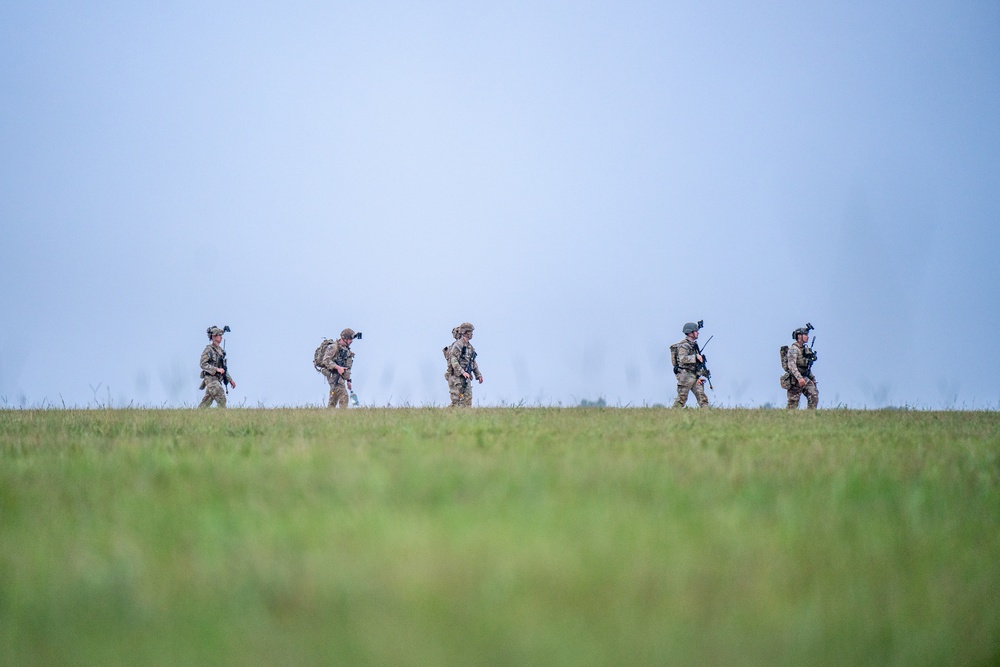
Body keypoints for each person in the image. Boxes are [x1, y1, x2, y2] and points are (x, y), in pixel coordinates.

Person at [670, 322, 710, 408]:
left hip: (695, 375)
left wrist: (703, 372)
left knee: (703, 399)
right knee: (681, 399)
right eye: (696, 331)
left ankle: (706, 416)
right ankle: (672, 415)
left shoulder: (693, 345)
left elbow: (695, 364)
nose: (698, 332)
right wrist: (695, 357)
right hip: (685, 376)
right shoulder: (684, 346)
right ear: (690, 333)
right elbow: (682, 358)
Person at [444, 322, 482, 407]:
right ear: (465, 332)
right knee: (456, 402)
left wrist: (478, 375)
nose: (472, 334)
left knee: (467, 400)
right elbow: (454, 360)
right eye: (470, 331)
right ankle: (443, 417)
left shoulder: (470, 347)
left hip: (465, 378)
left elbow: (472, 362)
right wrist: (463, 372)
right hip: (456, 377)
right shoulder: (458, 345)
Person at [782, 326, 819, 409]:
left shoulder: (804, 349)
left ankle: (810, 417)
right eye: (805, 334)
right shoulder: (793, 349)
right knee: (793, 404)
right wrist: (799, 378)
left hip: (804, 377)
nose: (807, 336)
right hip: (795, 380)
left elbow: (807, 367)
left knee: (814, 396)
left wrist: (813, 379)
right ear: (799, 336)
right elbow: (791, 365)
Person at [198, 326, 235, 408]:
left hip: (217, 380)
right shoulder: (209, 350)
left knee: (206, 402)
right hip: (210, 379)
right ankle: (222, 416)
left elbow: (224, 368)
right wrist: (216, 369)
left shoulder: (220, 351)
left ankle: (194, 416)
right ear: (214, 336)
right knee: (221, 398)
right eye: (219, 335)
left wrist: (230, 380)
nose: (221, 337)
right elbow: (202, 364)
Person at [322, 328, 359, 408]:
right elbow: (326, 360)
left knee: (333, 399)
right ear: (344, 338)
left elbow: (347, 367)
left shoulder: (346, 350)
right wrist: (337, 367)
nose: (351, 341)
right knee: (344, 396)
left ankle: (329, 416)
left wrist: (348, 380)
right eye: (350, 339)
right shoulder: (333, 347)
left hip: (340, 378)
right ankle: (342, 416)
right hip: (333, 377)